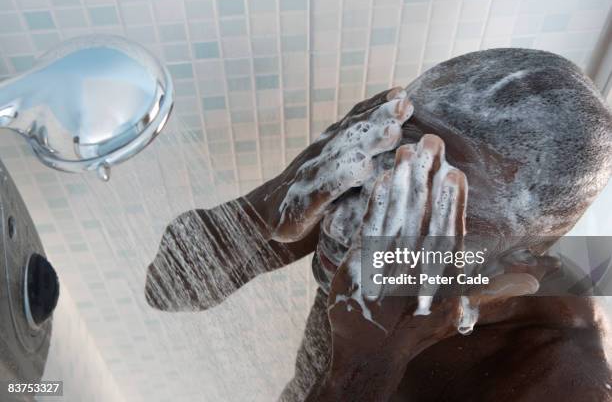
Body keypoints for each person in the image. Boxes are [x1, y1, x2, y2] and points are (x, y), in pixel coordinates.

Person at [144, 48, 612, 401]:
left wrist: (371, 360)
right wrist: (266, 204)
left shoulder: (559, 380)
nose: (353, 217)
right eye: (387, 157)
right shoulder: (372, 196)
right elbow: (168, 290)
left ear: (516, 259)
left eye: (424, 197)